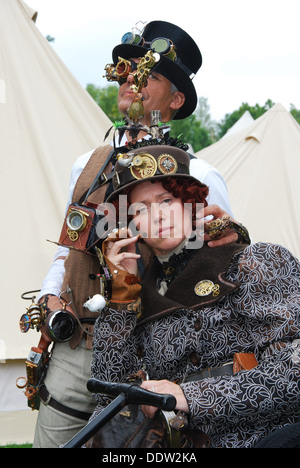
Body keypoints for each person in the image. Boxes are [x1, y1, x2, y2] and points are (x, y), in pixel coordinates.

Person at [32, 20, 242, 447]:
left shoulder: (198, 175)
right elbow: (68, 249)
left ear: (177, 98)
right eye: (127, 70)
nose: (133, 79)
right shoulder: (86, 164)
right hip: (75, 341)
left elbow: (222, 267)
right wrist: (49, 296)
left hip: (146, 354)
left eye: (151, 75)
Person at [87, 142, 300, 449]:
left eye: (166, 200)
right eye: (141, 209)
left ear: (190, 203)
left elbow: (294, 371)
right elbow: (108, 394)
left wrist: (190, 396)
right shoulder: (138, 291)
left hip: (265, 436)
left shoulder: (255, 260)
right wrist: (120, 300)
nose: (157, 216)